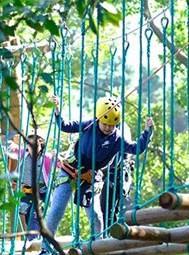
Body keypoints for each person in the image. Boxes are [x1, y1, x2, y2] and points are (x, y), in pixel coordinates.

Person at [44, 94, 154, 244]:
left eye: (112, 125)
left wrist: (147, 133)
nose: (108, 128)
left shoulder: (118, 139)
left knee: (96, 215)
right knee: (57, 209)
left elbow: (137, 148)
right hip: (70, 171)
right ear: (99, 119)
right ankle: (46, 246)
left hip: (90, 178)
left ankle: (98, 245)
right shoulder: (89, 125)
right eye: (105, 124)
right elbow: (65, 126)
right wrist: (57, 110)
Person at [8, 133, 54, 239]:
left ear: (40, 144)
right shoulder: (24, 153)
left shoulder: (47, 158)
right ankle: (35, 240)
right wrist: (8, 143)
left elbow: (60, 164)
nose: (31, 147)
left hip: (41, 193)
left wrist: (58, 158)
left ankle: (33, 241)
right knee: (28, 217)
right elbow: (11, 147)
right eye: (28, 144)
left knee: (34, 214)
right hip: (26, 192)